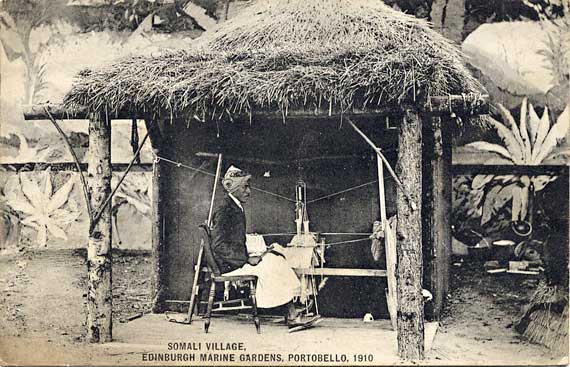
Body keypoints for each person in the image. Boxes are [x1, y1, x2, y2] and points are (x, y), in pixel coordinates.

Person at [211, 165, 319, 330]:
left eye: (249, 187)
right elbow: (218, 245)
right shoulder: (225, 209)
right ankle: (292, 315)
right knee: (272, 264)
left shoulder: (234, 206)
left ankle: (291, 311)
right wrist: (247, 259)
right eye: (245, 187)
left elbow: (233, 240)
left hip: (236, 259)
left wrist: (257, 252)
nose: (249, 191)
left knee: (276, 259)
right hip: (229, 265)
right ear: (233, 188)